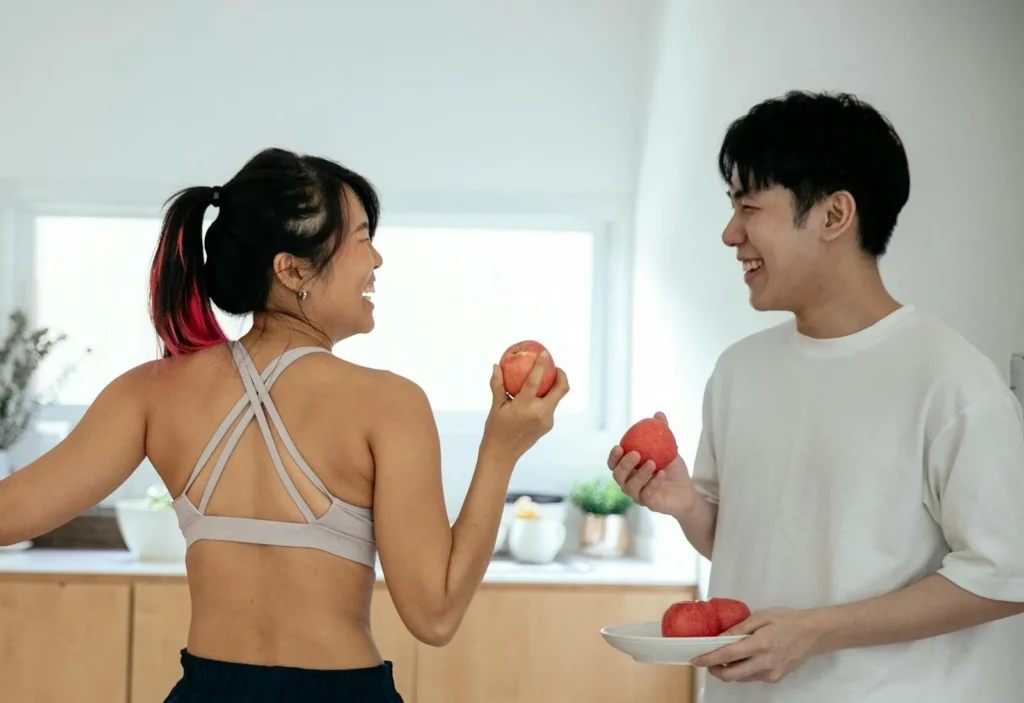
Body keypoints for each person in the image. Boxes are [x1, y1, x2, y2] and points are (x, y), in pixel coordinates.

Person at [0, 147, 570, 702]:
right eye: (364, 239)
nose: (377, 261)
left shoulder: (151, 394)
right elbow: (435, 615)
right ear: (292, 268)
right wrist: (501, 451)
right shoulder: (389, 404)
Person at [609, 91, 1024, 702]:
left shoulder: (951, 379)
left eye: (749, 207)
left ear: (834, 216)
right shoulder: (738, 371)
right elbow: (746, 542)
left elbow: (1006, 576)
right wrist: (688, 506)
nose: (730, 234)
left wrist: (816, 633)